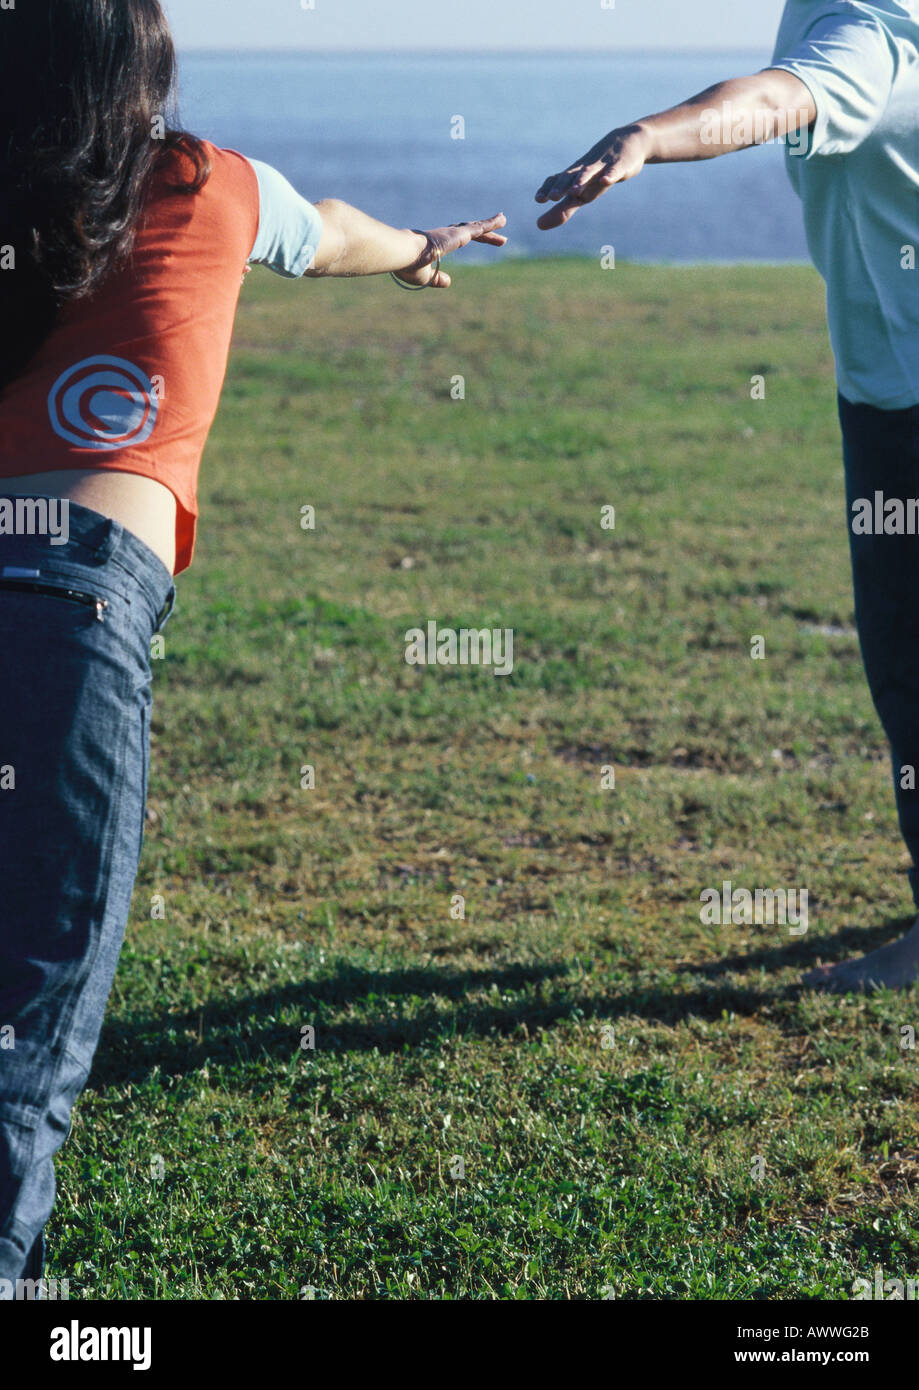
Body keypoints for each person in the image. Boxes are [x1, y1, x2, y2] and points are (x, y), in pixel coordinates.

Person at [0, 0, 506, 1294]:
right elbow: (329, 229)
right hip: (72, 603)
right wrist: (417, 250)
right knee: (33, 1005)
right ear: (142, 75)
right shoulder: (203, 180)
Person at [536, 0, 919, 992]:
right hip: (885, 392)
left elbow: (774, 100)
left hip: (906, 412)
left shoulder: (867, 26)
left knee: (909, 663)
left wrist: (647, 137)